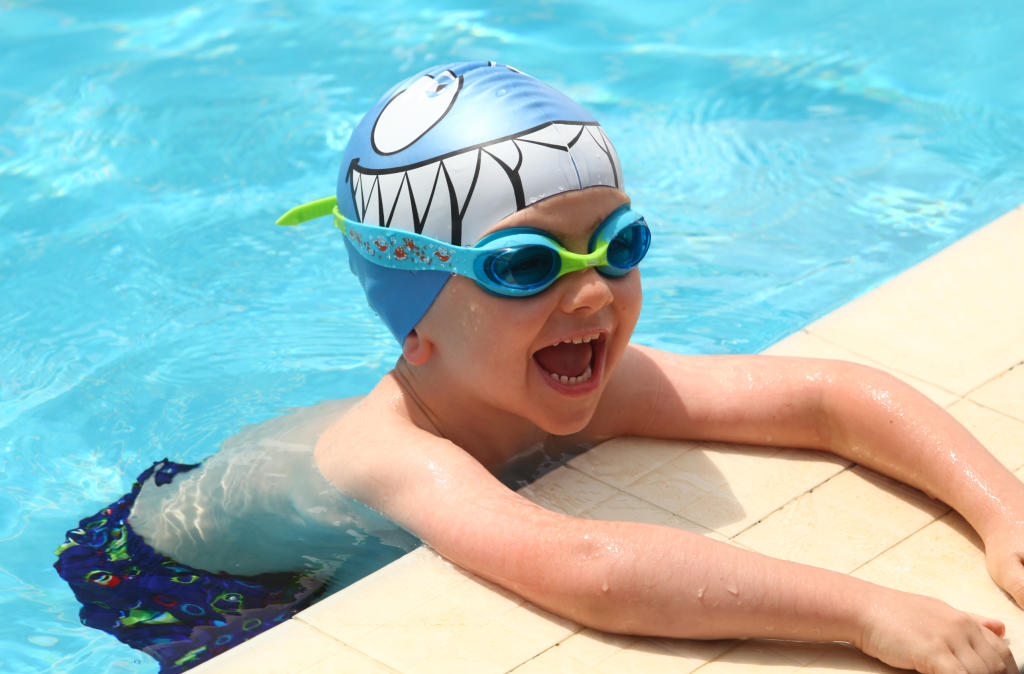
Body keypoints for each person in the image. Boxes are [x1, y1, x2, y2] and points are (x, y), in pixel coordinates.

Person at [59, 61, 1023, 674]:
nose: (592, 293)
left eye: (617, 244)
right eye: (524, 267)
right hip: (174, 576)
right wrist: (868, 612)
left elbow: (829, 396)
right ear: (414, 321)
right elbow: (587, 567)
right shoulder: (395, 454)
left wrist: (1003, 512)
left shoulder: (581, 375)